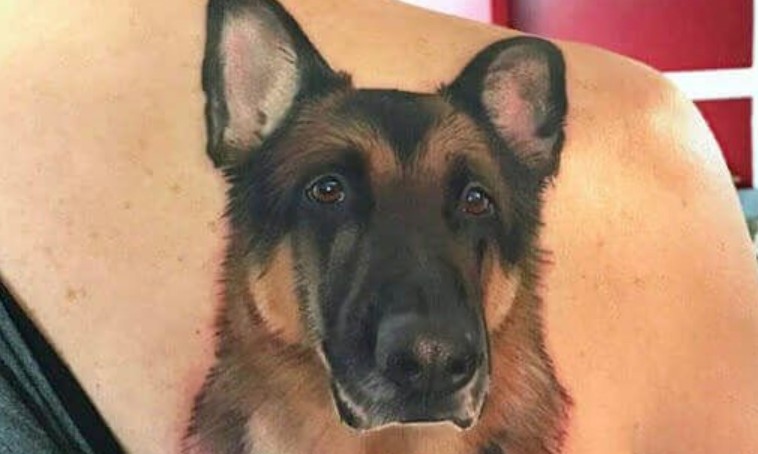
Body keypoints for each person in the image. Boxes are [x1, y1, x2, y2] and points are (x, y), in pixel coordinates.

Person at [0, 0, 756, 452]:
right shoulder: (647, 132)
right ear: (246, 116)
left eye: (472, 203)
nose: (430, 347)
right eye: (329, 192)